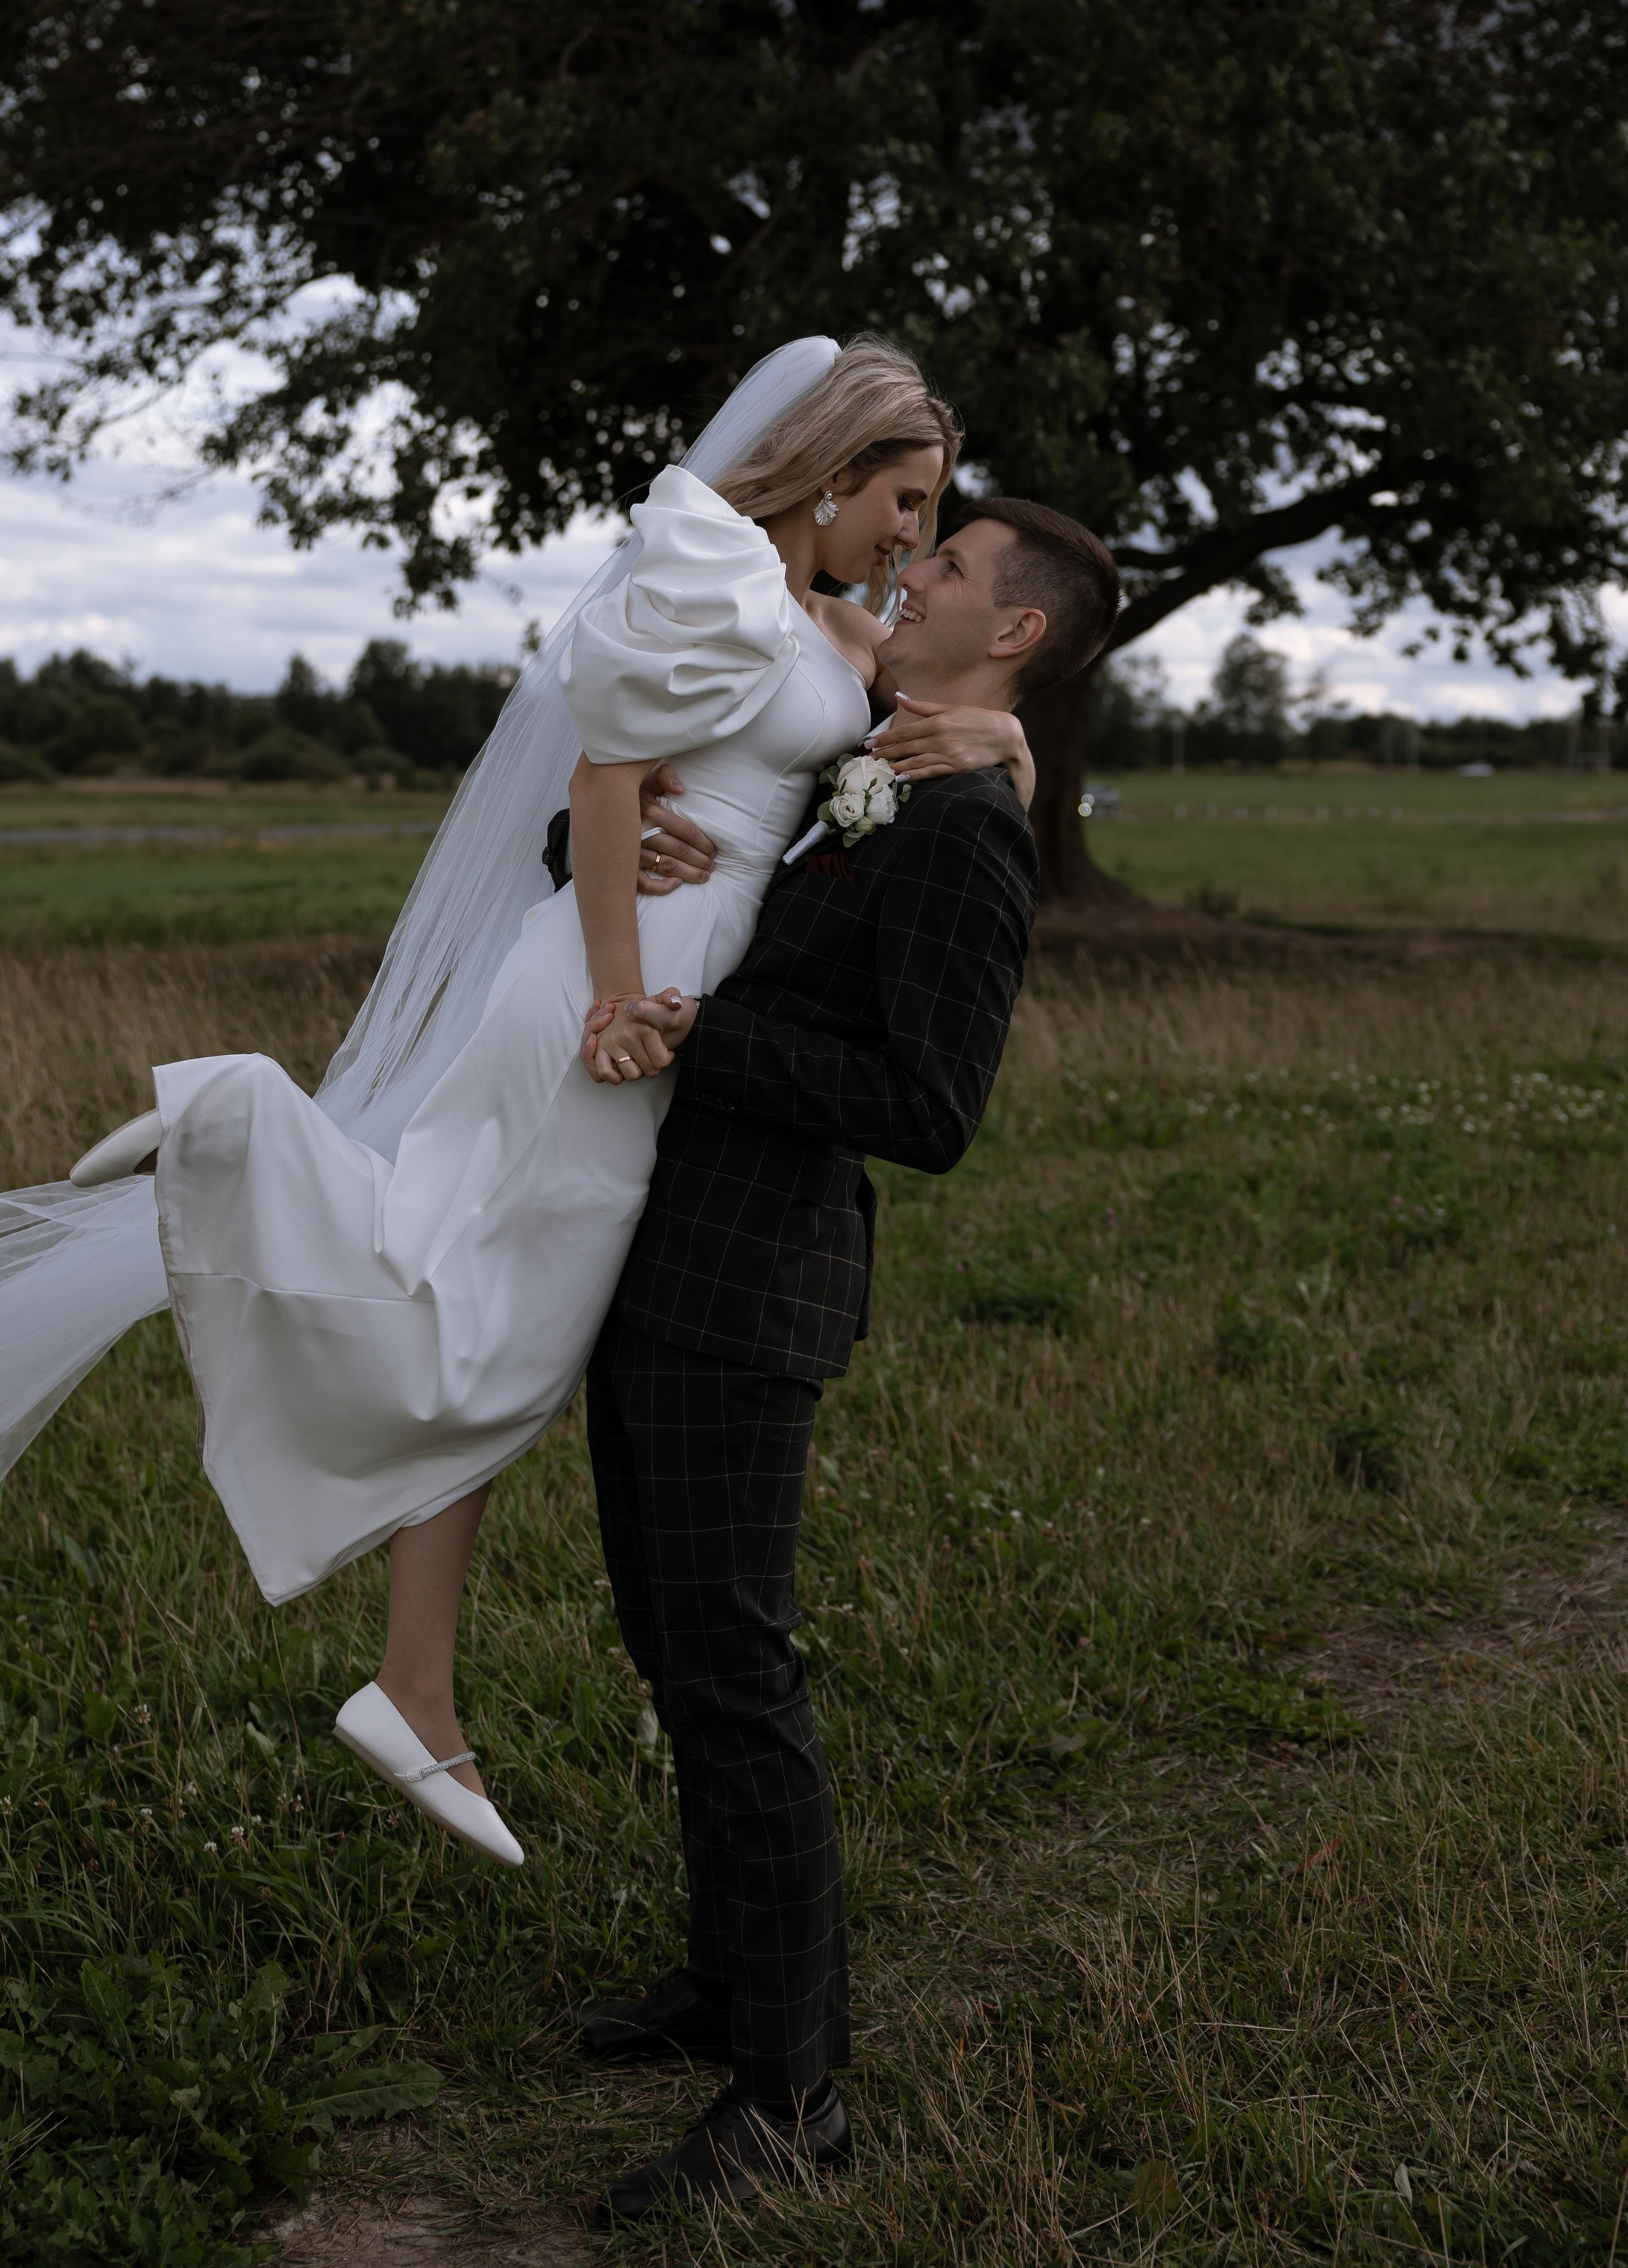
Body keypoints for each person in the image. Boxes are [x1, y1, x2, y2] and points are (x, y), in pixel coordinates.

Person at [0, 335, 1027, 1874]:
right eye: (904, 499)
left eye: (931, 515)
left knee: (482, 1299)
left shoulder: (843, 632)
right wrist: (614, 998)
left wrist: (1010, 742)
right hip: (622, 984)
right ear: (832, 469)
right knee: (497, 1311)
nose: (912, 538)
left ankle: (414, 1678)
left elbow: (918, 755)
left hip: (682, 976)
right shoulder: (721, 579)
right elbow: (603, 783)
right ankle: (242, 1141)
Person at [569, 494, 1121, 2225]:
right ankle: (727, 1983)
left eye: (945, 565)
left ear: (1011, 631)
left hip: (751, 1290)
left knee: (737, 1675)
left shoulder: (959, 834)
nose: (910, 570)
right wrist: (616, 840)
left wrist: (704, 1040)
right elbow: (683, 853)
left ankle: (791, 2097)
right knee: (673, 1648)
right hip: (656, 1260)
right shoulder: (861, 769)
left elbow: (928, 1108)